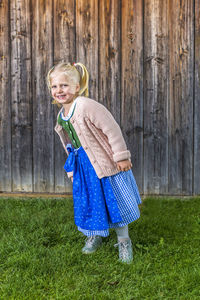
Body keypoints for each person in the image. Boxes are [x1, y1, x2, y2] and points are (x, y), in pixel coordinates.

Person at [47, 62, 142, 264]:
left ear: (77, 87)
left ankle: (124, 241)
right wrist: (72, 168)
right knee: (91, 202)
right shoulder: (61, 115)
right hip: (84, 167)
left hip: (103, 164)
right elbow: (70, 144)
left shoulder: (86, 106)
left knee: (113, 202)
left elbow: (111, 129)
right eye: (54, 86)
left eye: (64, 85)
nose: (59, 90)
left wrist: (121, 156)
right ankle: (95, 234)